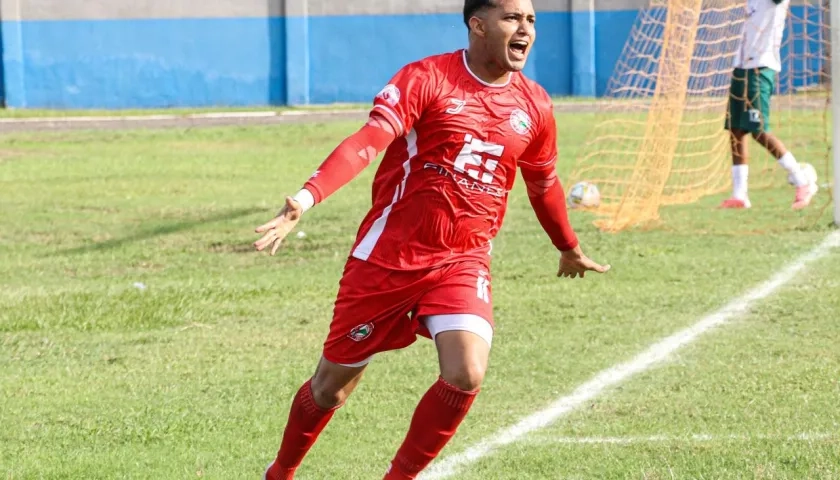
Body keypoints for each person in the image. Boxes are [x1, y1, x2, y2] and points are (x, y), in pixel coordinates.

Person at [253, 0, 610, 478]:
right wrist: (306, 197)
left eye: (531, 20)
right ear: (478, 25)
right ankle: (280, 472)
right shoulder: (427, 79)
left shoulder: (535, 105)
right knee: (330, 388)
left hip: (463, 260)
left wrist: (567, 246)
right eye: (512, 18)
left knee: (466, 373)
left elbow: (543, 182)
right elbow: (368, 142)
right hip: (388, 258)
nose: (525, 29)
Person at [721, 0, 818, 210]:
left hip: (760, 67)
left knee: (759, 130)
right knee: (736, 130)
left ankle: (802, 180)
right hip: (741, 66)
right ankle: (739, 195)